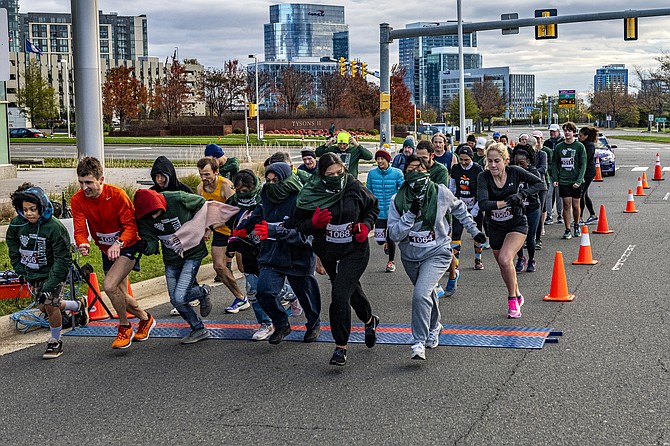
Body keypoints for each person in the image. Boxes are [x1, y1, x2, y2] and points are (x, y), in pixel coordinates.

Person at [388, 155, 485, 360]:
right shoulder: (397, 199)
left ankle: (418, 342)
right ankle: (435, 326)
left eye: (419, 169)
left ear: (427, 171)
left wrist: (475, 232)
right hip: (410, 255)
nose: (415, 173)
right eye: (410, 169)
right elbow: (394, 234)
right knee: (427, 292)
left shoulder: (441, 192)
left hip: (437, 252)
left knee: (420, 294)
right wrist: (410, 215)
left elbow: (460, 209)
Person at [294, 153, 380, 366]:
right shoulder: (311, 192)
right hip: (329, 250)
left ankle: (340, 347)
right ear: (321, 175)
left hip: (355, 248)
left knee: (340, 294)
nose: (335, 177)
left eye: (339, 172)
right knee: (352, 292)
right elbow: (298, 224)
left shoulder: (352, 185)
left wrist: (366, 226)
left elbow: (372, 207)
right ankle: (370, 321)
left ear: (344, 169)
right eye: (329, 174)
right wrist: (312, 223)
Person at [71, 157, 154, 349]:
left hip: (129, 244)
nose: (85, 188)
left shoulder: (117, 195)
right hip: (107, 249)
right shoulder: (77, 200)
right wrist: (83, 243)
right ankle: (145, 318)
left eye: (89, 182)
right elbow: (80, 229)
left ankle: (125, 326)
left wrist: (119, 242)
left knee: (109, 286)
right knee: (120, 294)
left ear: (101, 179)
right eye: (81, 183)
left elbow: (131, 228)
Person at [238, 162, 321, 345]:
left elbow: (303, 236)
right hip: (272, 254)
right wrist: (241, 231)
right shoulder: (266, 196)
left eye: (276, 180)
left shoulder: (301, 199)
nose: (271, 184)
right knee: (264, 291)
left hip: (298, 256)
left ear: (286, 179)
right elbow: (256, 215)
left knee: (307, 297)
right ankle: (281, 324)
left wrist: (275, 232)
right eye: (268, 180)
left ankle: (314, 324)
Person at [6, 184, 88, 359]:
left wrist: (49, 286)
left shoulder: (54, 227)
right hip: (33, 273)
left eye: (33, 209)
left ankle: (55, 341)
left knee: (50, 305)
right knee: (44, 306)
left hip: (53, 273)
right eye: (25, 209)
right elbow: (12, 245)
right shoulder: (17, 224)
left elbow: (62, 259)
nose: (29, 213)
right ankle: (78, 305)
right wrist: (20, 268)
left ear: (42, 207)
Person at [134, 189, 213, 344]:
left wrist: (205, 226)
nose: (154, 216)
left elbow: (203, 204)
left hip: (192, 253)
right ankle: (199, 327)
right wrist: (144, 246)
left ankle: (202, 296)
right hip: (171, 259)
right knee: (176, 300)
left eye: (156, 212)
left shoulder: (177, 198)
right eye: (149, 214)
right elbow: (151, 244)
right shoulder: (143, 219)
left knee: (179, 296)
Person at [226, 169, 296, 341]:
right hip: (247, 249)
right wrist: (232, 240)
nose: (243, 194)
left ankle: (292, 295)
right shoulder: (233, 203)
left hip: (267, 250)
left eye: (246, 190)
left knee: (271, 290)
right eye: (239, 191)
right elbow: (227, 221)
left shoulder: (265, 198)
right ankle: (265, 323)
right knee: (253, 290)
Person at [477, 143, 546, 318]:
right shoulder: (483, 177)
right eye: (490, 161)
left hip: (516, 223)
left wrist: (521, 195)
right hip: (494, 226)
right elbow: (484, 204)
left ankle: (512, 300)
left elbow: (540, 184)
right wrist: (506, 202)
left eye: (497, 161)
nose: (493, 165)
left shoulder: (515, 171)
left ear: (506, 161)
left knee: (505, 258)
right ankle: (517, 293)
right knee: (504, 264)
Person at [196, 157, 247, 312]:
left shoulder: (225, 186)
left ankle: (275, 293)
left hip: (236, 229)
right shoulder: (200, 189)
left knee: (244, 267)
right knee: (219, 266)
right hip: (219, 230)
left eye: (206, 174)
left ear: (216, 172)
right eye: (201, 175)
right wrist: (206, 228)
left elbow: (235, 212)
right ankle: (240, 297)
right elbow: (204, 212)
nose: (204, 178)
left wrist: (211, 227)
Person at [365, 148, 404, 272]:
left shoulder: (397, 173)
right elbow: (368, 190)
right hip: (378, 211)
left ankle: (390, 262)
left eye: (382, 159)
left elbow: (402, 189)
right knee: (380, 240)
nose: (380, 161)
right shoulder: (372, 174)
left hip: (392, 211)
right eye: (378, 159)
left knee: (390, 237)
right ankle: (385, 242)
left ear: (388, 160)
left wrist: (397, 201)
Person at [449, 145, 485, 270]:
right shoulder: (455, 169)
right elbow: (452, 187)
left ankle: (478, 259)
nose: (463, 163)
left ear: (471, 158)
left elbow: (482, 190)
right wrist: (452, 202)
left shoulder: (477, 169)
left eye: (466, 160)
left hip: (475, 204)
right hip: (460, 205)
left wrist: (476, 208)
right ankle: (455, 263)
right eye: (461, 160)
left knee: (477, 232)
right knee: (456, 233)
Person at [550, 122, 587, 240]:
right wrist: (555, 178)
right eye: (565, 130)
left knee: (576, 205)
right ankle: (567, 229)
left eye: (569, 130)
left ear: (573, 132)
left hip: (576, 180)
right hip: (564, 180)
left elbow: (583, 164)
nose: (567, 133)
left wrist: (579, 180)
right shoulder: (559, 147)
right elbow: (554, 163)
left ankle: (576, 224)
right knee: (566, 204)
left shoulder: (580, 146)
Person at [512, 147, 542, 273]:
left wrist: (523, 194)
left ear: (528, 162)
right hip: (517, 209)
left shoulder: (533, 172)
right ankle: (520, 258)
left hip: (532, 207)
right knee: (517, 235)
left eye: (522, 163)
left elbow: (540, 185)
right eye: (516, 163)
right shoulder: (512, 172)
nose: (519, 166)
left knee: (530, 236)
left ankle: (531, 259)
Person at [531, 130, 549, 250]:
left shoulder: (542, 154)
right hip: (528, 187)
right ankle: (528, 239)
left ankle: (537, 239)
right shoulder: (524, 155)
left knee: (538, 212)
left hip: (540, 185)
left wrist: (530, 173)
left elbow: (543, 168)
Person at [578, 126, 599, 225]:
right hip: (585, 172)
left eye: (580, 135)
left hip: (588, 173)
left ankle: (580, 217)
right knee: (585, 194)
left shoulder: (589, 146)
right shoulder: (582, 144)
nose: (578, 137)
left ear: (586, 136)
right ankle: (593, 215)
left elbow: (584, 159)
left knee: (581, 194)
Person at [544, 123, 564, 225]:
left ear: (558, 132)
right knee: (548, 194)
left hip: (560, 173)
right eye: (551, 131)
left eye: (554, 131)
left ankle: (560, 215)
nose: (552, 133)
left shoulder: (562, 143)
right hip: (550, 173)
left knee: (559, 195)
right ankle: (549, 215)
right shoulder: (546, 143)